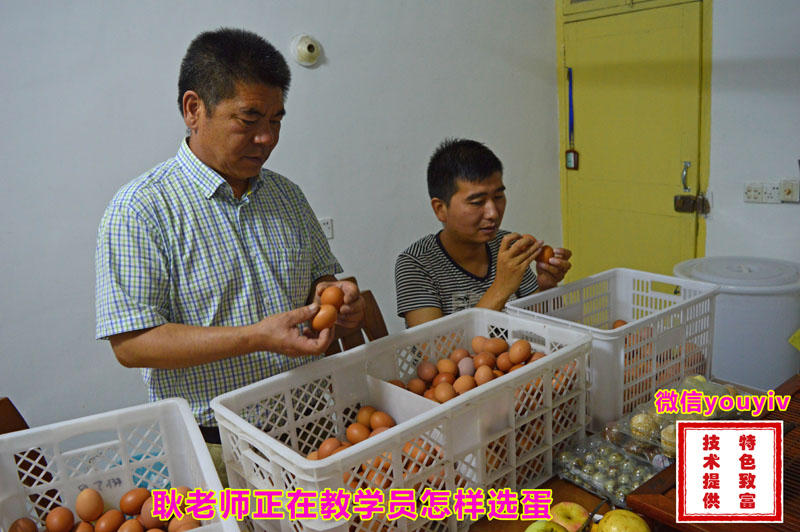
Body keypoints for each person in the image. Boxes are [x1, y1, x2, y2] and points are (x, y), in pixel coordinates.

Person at [95, 28, 363, 482]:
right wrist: (256, 337)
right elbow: (132, 343)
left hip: (314, 422)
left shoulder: (286, 195)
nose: (266, 138)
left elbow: (321, 279)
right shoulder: (140, 210)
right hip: (218, 447)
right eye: (248, 119)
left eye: (276, 120)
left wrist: (336, 297)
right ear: (193, 109)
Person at [395, 138, 572, 328]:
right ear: (440, 209)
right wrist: (502, 286)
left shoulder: (507, 246)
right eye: (477, 202)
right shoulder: (416, 264)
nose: (493, 213)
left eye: (498, 196)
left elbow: (542, 328)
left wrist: (547, 287)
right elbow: (433, 344)